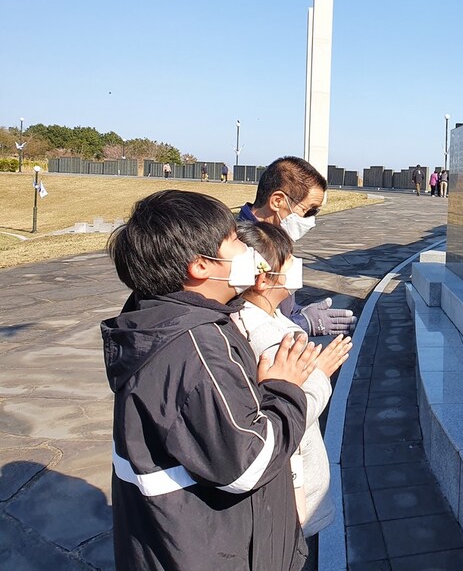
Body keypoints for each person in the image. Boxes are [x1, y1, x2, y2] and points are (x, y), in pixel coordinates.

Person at [101, 190, 323, 571]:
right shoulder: (196, 347)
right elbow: (245, 464)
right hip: (215, 551)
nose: (246, 248)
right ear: (200, 266)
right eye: (235, 240)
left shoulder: (160, 320)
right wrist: (285, 389)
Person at [232, 220, 352, 540]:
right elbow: (290, 411)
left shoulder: (266, 317)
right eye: (289, 262)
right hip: (289, 488)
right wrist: (321, 374)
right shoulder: (265, 337)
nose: (295, 267)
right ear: (261, 279)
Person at [239, 156, 357, 337]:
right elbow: (241, 319)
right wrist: (303, 323)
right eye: (308, 210)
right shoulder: (240, 247)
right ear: (277, 201)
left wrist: (300, 312)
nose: (310, 220)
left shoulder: (278, 238)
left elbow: (281, 308)